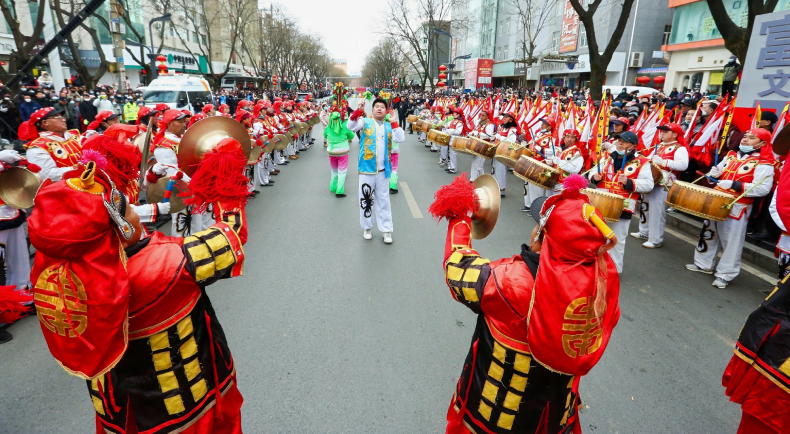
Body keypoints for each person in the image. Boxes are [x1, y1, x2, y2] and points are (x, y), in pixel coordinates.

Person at [28, 139, 248, 433]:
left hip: (115, 407)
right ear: (120, 226)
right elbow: (230, 235)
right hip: (182, 406)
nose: (134, 207)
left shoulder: (54, 269)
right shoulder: (164, 263)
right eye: (127, 206)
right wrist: (226, 169)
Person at [428, 174, 620, 434]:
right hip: (557, 416)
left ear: (543, 235)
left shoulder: (515, 280)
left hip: (499, 418)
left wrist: (460, 215)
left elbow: (458, 269)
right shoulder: (603, 283)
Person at [686, 129, 775, 288]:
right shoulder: (732, 155)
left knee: (731, 241)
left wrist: (734, 185)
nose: (745, 140)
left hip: (737, 206)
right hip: (716, 200)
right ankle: (703, 263)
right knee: (708, 233)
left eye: (751, 138)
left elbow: (762, 189)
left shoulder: (764, 163)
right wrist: (715, 172)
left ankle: (725, 274)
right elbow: (720, 171)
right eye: (745, 137)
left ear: (762, 144)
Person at [588, 131, 654, 273]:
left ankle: (613, 271)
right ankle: (594, 266)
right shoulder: (607, 157)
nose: (620, 143)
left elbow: (649, 184)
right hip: (600, 201)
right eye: (618, 141)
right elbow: (591, 173)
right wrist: (595, 177)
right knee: (596, 235)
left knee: (616, 239)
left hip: (622, 206)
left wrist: (629, 181)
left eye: (624, 142)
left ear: (633, 146)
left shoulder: (642, 162)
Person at [346, 98, 404, 244]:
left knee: (384, 201)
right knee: (366, 200)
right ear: (372, 110)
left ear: (386, 111)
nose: (379, 109)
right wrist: (358, 111)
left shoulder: (390, 125)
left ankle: (386, 231)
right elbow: (350, 126)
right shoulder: (365, 122)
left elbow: (400, 138)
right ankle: (367, 228)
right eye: (376, 106)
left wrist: (394, 121)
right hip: (366, 169)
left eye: (382, 107)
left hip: (383, 171)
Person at [631, 123, 689, 248]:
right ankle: (644, 232)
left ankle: (655, 239)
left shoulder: (680, 148)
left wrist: (664, 162)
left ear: (675, 134)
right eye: (662, 131)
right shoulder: (660, 146)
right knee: (645, 207)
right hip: (651, 180)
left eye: (665, 131)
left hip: (664, 183)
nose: (662, 133)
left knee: (657, 211)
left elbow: (683, 165)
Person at [18, 107, 82, 181]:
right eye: (58, 117)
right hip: (63, 189)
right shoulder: (37, 148)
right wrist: (79, 169)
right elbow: (47, 174)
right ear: (45, 123)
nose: (64, 120)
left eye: (62, 117)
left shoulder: (73, 136)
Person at [324, 110, 355, 197]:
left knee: (334, 171)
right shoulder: (345, 126)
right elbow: (351, 136)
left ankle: (333, 187)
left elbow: (325, 135)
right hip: (343, 152)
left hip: (332, 152)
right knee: (342, 172)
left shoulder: (328, 127)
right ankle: (339, 191)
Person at [468, 110, 496, 181]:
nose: (481, 117)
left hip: (483, 146)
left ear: (487, 116)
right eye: (481, 115)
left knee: (478, 163)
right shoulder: (480, 123)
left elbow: (489, 135)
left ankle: (476, 179)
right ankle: (476, 178)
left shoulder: (489, 124)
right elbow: (476, 130)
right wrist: (472, 133)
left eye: (483, 115)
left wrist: (479, 134)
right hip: (477, 145)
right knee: (476, 162)